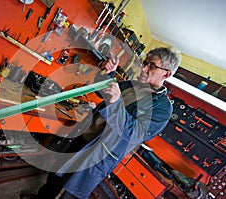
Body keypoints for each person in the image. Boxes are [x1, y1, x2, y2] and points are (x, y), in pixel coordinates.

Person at [33, 47, 181, 199]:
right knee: (55, 177)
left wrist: (116, 102)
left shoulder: (162, 107)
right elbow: (102, 92)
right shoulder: (131, 85)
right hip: (84, 137)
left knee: (72, 192)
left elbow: (133, 133)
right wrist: (107, 74)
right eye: (145, 63)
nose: (143, 68)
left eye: (152, 66)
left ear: (167, 73)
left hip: (100, 152)